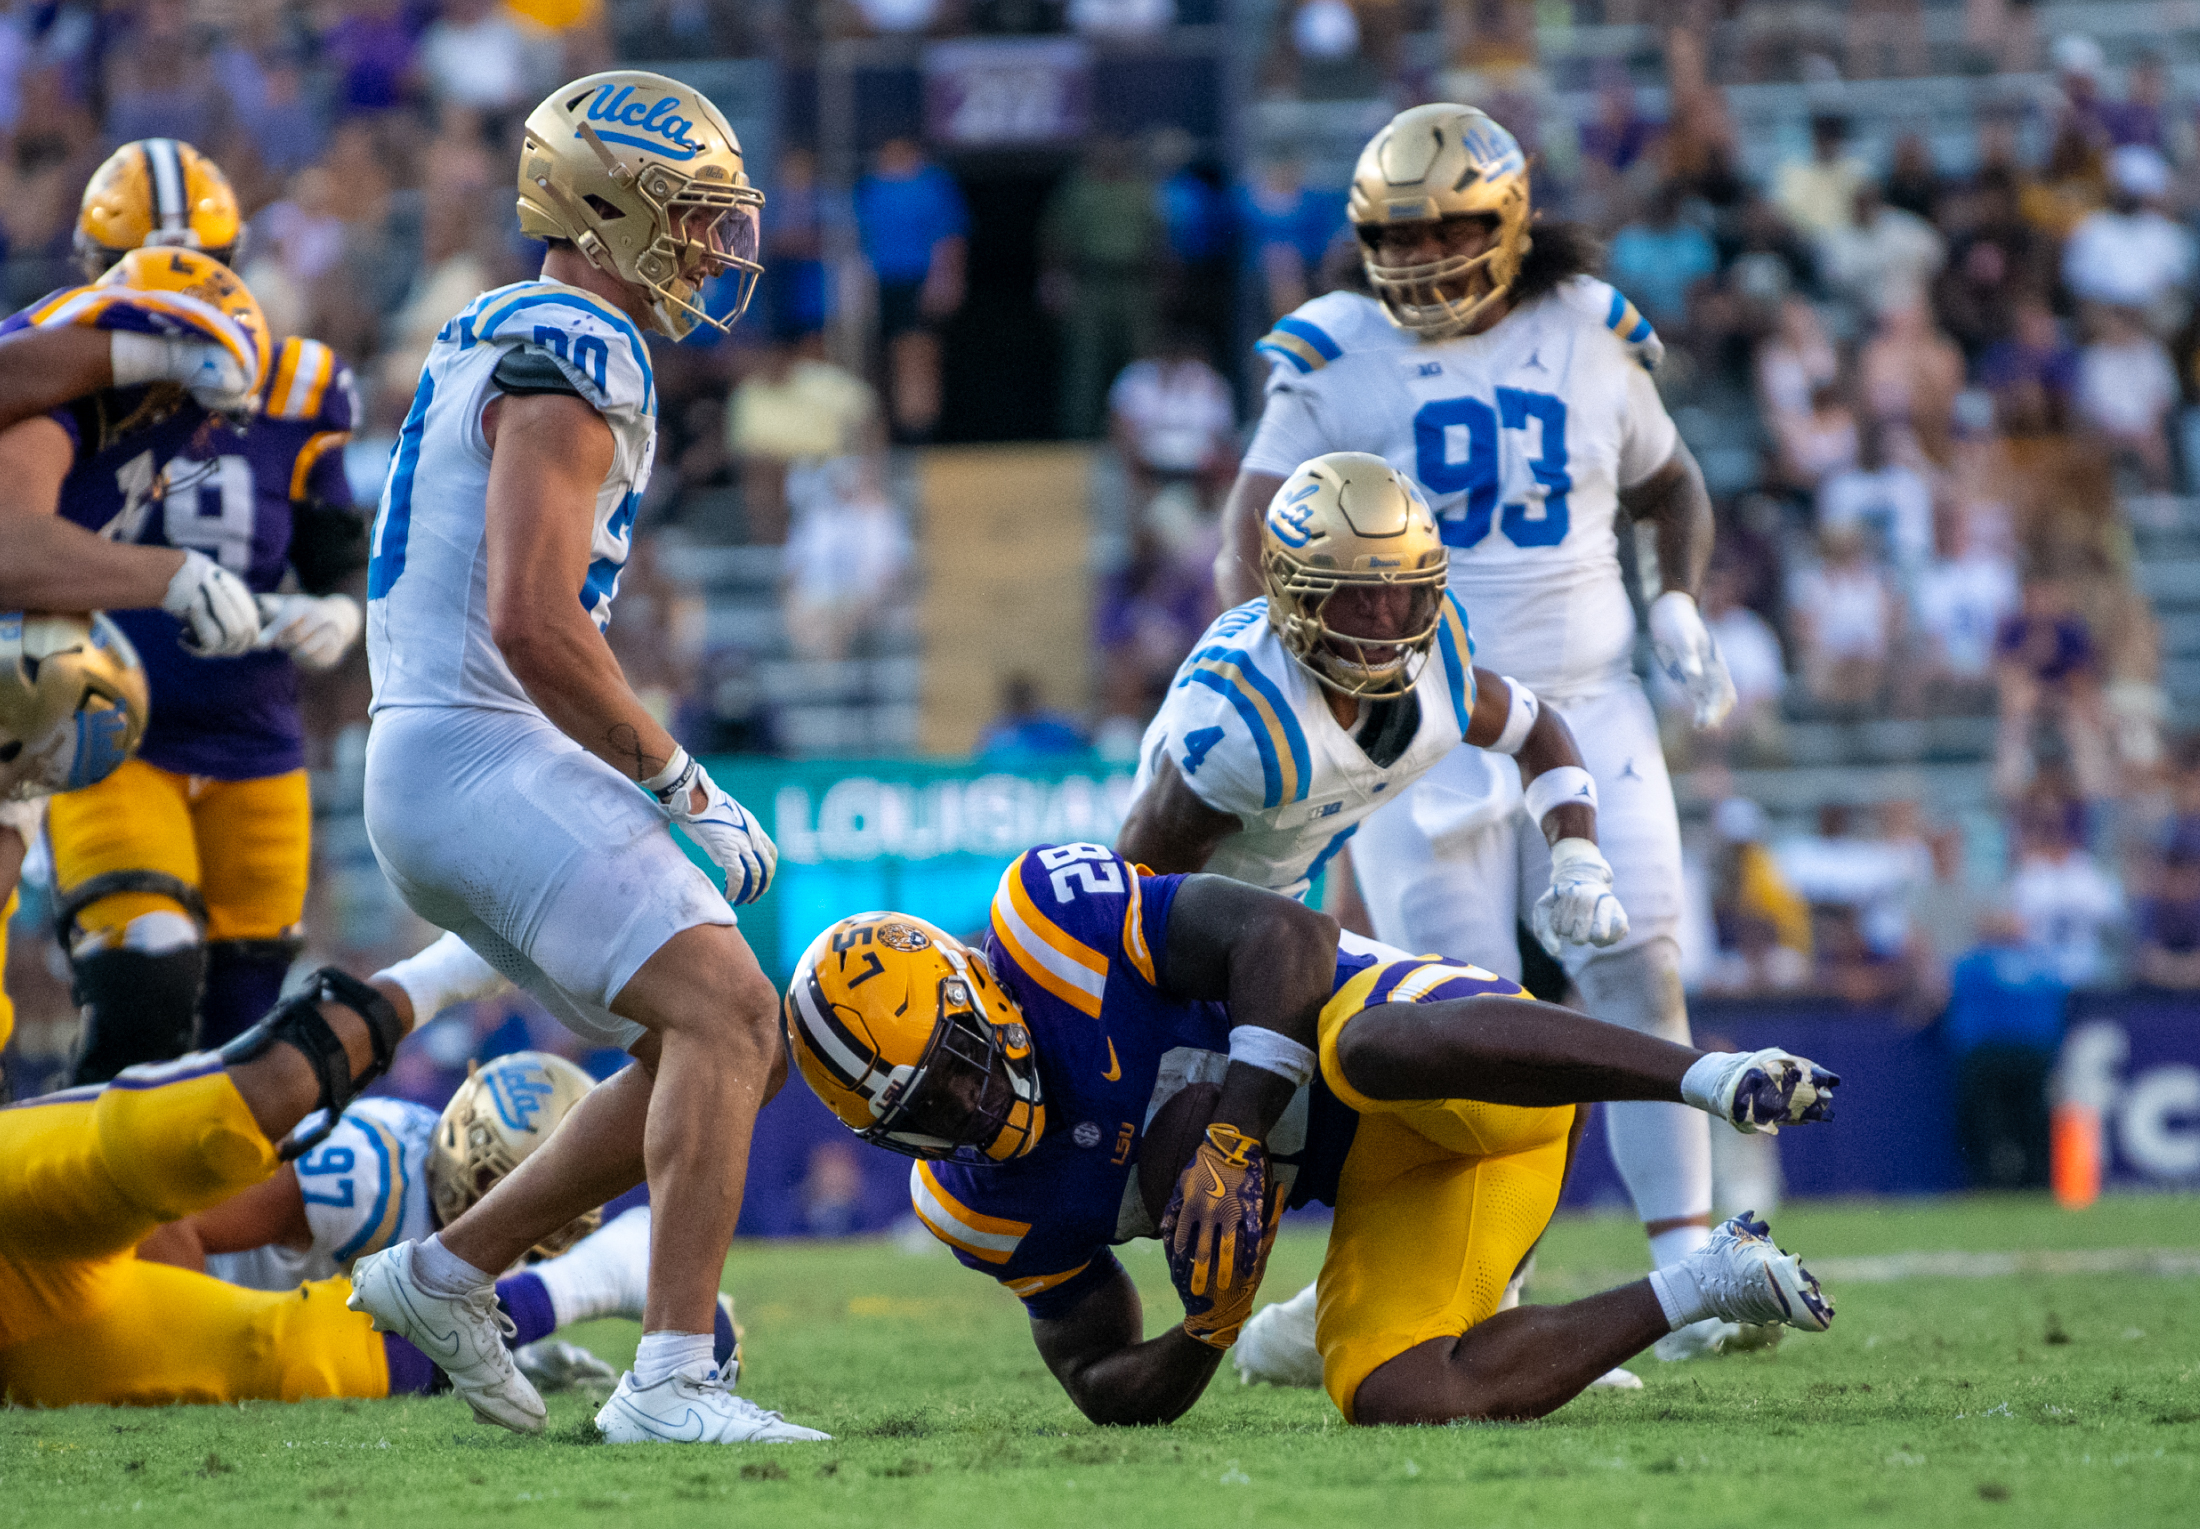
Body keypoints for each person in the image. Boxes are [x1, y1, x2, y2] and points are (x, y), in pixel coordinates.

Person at [1211, 104, 1747, 1367]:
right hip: (1419, 717)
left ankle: (1687, 1261)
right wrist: (1295, 666)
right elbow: (1253, 522)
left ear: (1510, 221)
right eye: (1398, 233)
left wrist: (1676, 594)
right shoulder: (1336, 351)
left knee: (1640, 963)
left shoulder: (1589, 331)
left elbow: (1671, 482)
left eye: (1451, 226)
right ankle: (1476, 1287)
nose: (1424, 255)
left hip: (1591, 692)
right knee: (1456, 1008)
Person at [348, 70, 824, 1447]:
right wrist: (677, 780)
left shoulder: (510, 325)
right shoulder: (580, 338)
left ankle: (444, 1273)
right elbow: (529, 617)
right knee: (734, 1018)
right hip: (477, 747)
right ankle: (669, 1379)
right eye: (687, 217)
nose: (713, 248)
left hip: (447, 749)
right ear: (604, 206)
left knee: (727, 1038)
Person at [781, 850, 1838, 1427]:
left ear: (978, 989)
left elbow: (1289, 933)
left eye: (958, 1063)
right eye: (918, 1110)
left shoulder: (1051, 926)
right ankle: (1713, 1277)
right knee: (1390, 1388)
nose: (962, 1109)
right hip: (1397, 1180)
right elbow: (1099, 1376)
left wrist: (1233, 1137)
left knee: (1357, 1049)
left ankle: (1711, 1076)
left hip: (1458, 1063)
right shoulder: (972, 1200)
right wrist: (1208, 1326)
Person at [2, 141, 373, 1083]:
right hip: (106, 723)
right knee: (144, 987)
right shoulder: (71, 388)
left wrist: (335, 609)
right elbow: (12, 542)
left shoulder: (256, 387)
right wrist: (163, 575)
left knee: (240, 1018)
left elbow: (332, 541)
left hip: (199, 727)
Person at [135, 1030, 742, 1395]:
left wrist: (506, 1350)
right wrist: (183, 1355)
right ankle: (590, 1280)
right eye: (512, 1196)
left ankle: (583, 1284)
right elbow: (167, 1220)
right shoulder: (373, 1172)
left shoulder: (415, 1181)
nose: (522, 1226)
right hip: (147, 1284)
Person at [854, 138, 968, 442]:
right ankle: (885, 437)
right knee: (878, 361)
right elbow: (856, 239)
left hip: (920, 280)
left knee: (916, 356)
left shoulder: (935, 183)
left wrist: (946, 283)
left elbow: (952, 237)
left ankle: (919, 435)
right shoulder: (868, 186)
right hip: (878, 284)